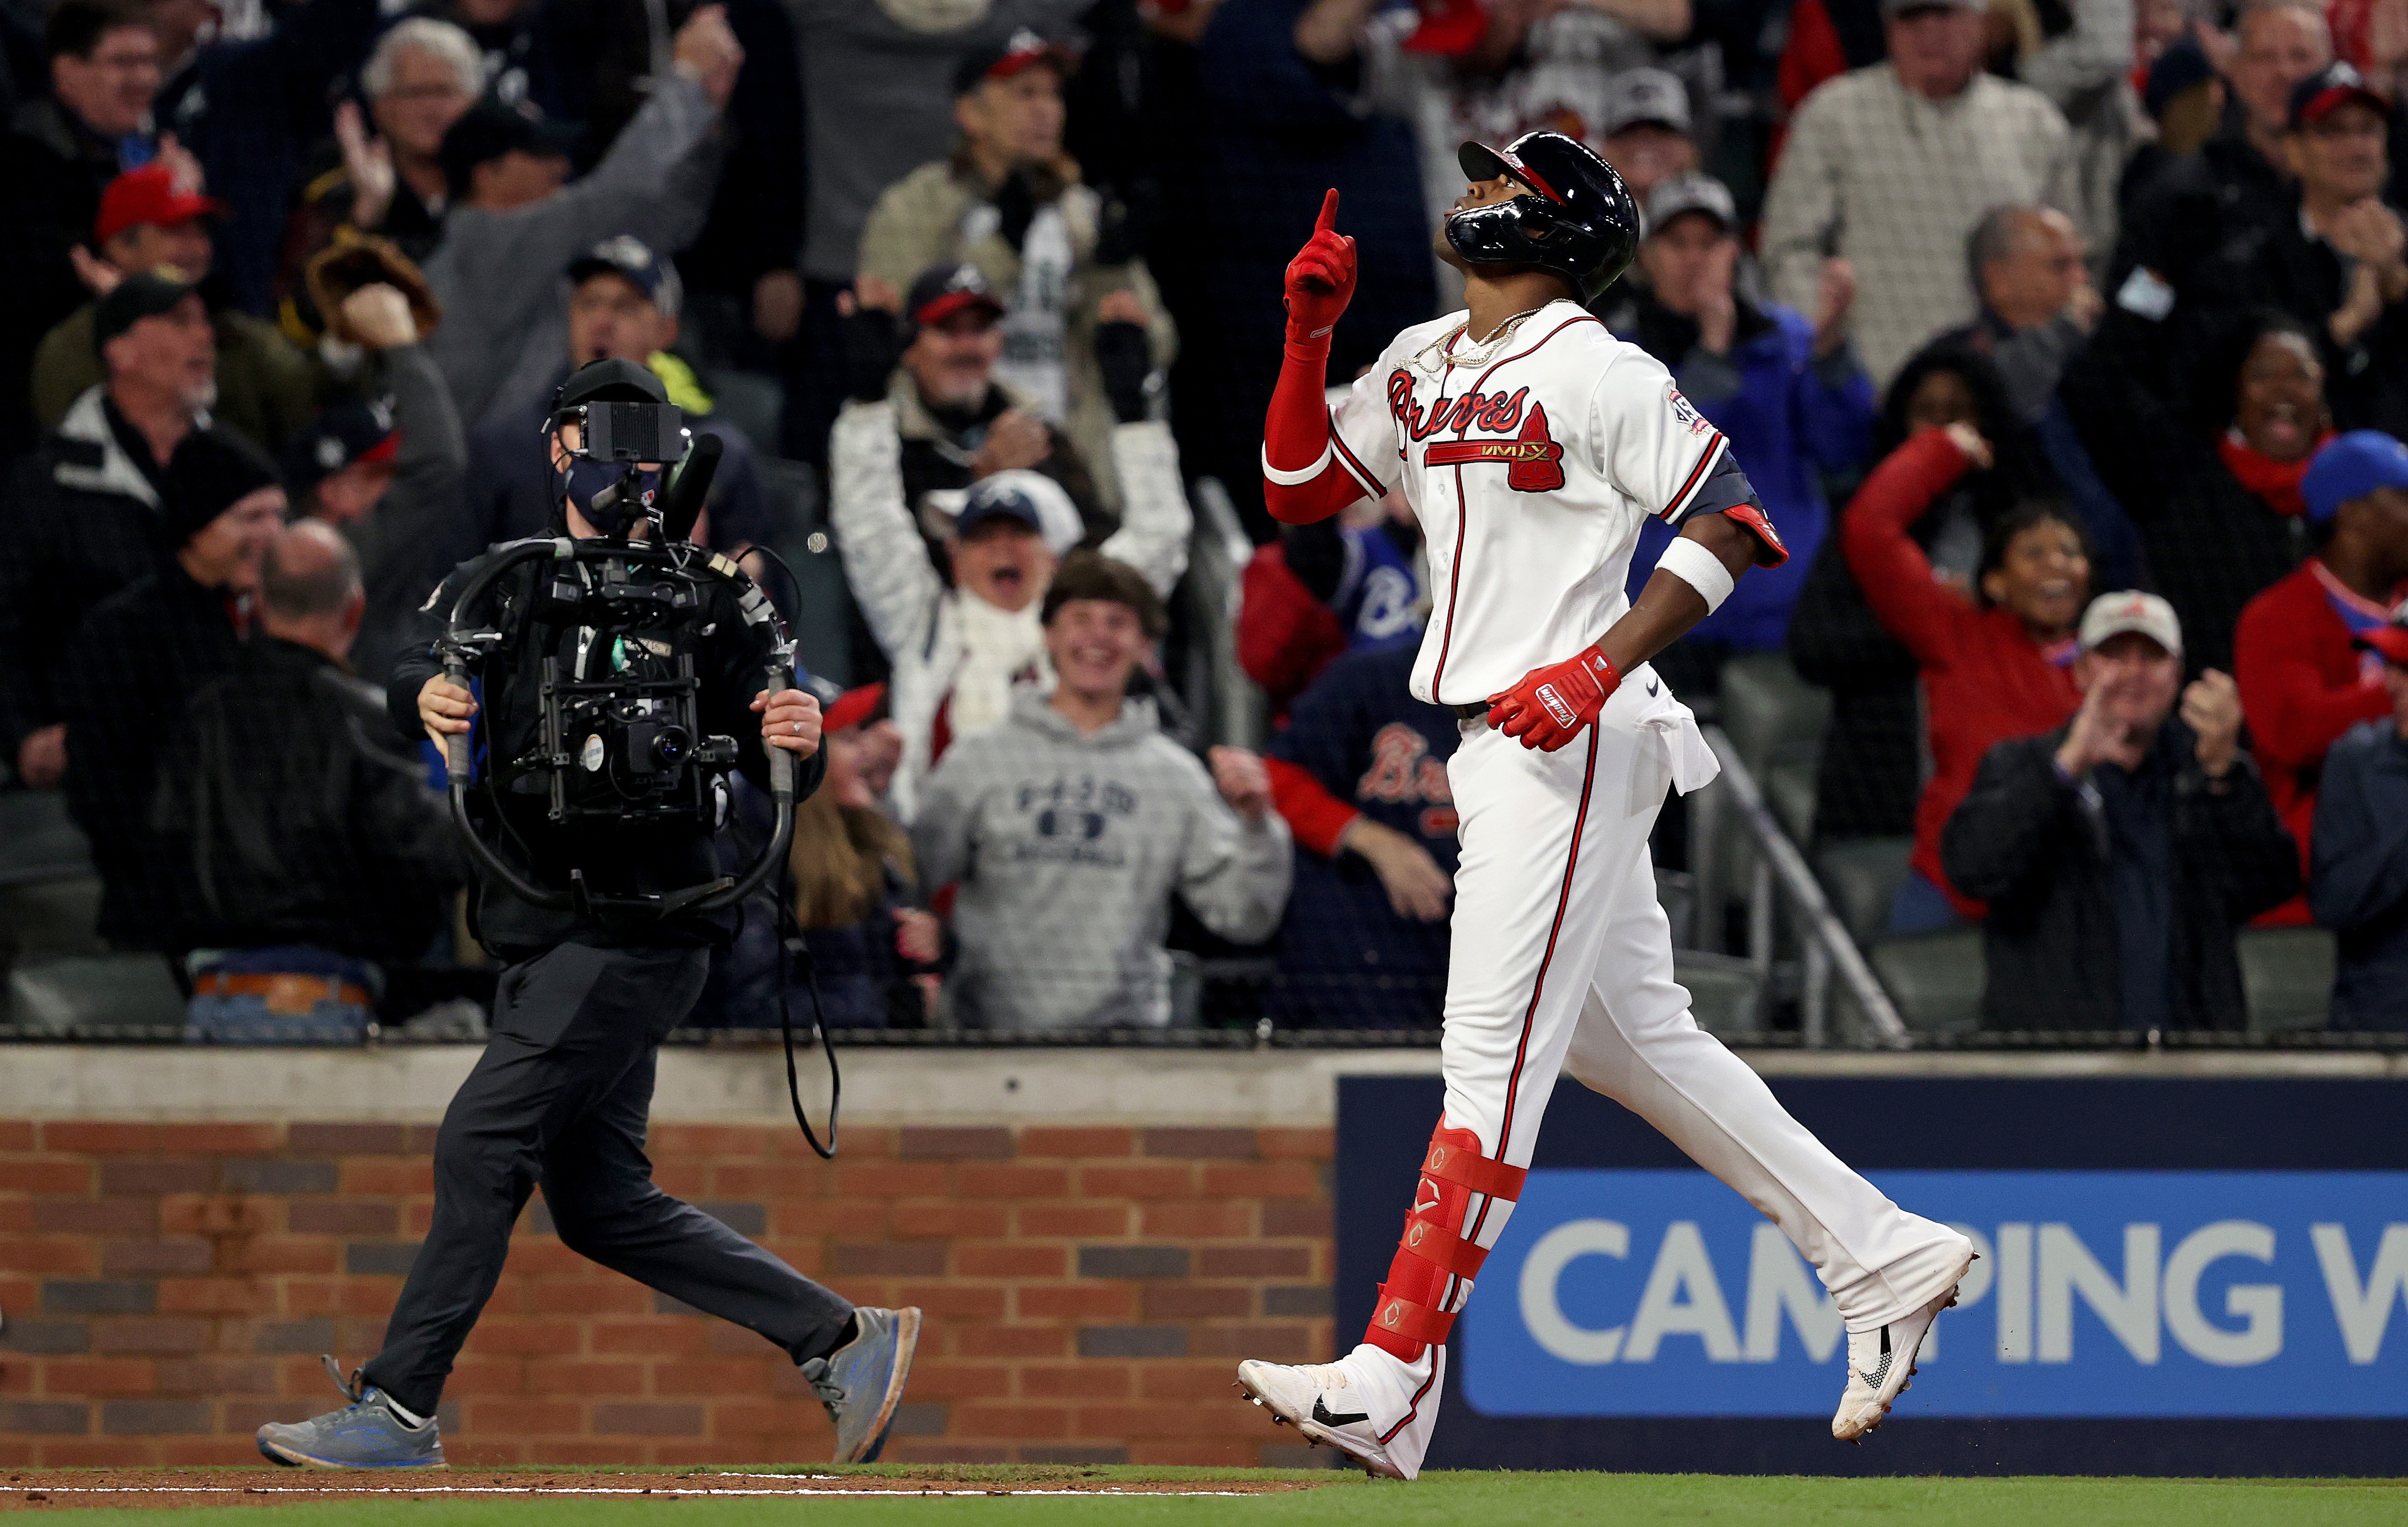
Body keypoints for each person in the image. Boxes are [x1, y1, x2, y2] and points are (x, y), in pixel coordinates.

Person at [1234, 138, 1975, 1480]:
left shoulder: (1599, 365)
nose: (1476, 195)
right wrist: (1306, 335)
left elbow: (1737, 520)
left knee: (1487, 1061)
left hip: (1569, 730)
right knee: (1636, 1047)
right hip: (1496, 734)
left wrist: (1598, 665)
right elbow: (1294, 490)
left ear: (1559, 228)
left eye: (1505, 184)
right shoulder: (1416, 353)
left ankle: (1393, 1376)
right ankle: (1884, 1253)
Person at [253, 358, 918, 1470]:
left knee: (481, 1138)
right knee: (603, 1204)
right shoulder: (509, 580)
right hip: (541, 921)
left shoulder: (709, 598)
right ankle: (842, 1339)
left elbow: (774, 695)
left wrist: (790, 721)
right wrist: (429, 691)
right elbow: (413, 653)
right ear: (561, 449)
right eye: (605, 439)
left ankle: (400, 1404)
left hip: (643, 920)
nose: (627, 467)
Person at [911, 551, 1291, 1028]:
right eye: (1080, 619)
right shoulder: (981, 759)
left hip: (1126, 1056)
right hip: (986, 1047)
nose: (1097, 637)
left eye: (1117, 623)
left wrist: (1257, 824)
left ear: (1144, 647)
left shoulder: (1173, 777)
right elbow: (911, 878)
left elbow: (1244, 917)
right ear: (1047, 635)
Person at [156, 522, 466, 1041]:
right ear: (354, 607)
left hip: (209, 1006)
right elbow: (431, 853)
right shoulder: (364, 721)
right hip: (322, 1007)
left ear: (258, 601)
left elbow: (158, 859)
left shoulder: (199, 718)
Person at [1943, 591, 2300, 1030]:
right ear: (2079, 672)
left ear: (2177, 675)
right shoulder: (2022, 766)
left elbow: (2269, 883)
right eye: (2114, 655)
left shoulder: (2207, 775)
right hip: (2060, 1068)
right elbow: (1972, 869)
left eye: (2151, 657)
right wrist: (2066, 767)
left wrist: (2223, 774)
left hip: (2190, 1065)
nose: (2133, 673)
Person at [856, 30, 1177, 513]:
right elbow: (894, 337)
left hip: (1076, 461)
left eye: (1052, 94)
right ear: (970, 113)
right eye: (1025, 93)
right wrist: (1003, 249)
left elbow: (1157, 350)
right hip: (957, 458)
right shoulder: (914, 206)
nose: (1046, 110)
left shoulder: (1084, 214)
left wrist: (1109, 270)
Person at [420, 4, 743, 428]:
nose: (558, 167)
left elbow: (661, 225)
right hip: (482, 479)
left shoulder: (536, 251)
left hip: (537, 460)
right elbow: (617, 191)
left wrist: (705, 124)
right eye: (537, 155)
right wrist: (685, 84)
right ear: (488, 174)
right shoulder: (483, 245)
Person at [1601, 172, 1872, 675]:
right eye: (1676, 243)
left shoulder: (1786, 339)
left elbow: (1844, 450)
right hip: (1665, 618)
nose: (1694, 259)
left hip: (1780, 615)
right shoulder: (1614, 353)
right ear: (1646, 257)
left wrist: (1832, 353)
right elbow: (1674, 465)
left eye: (1710, 243)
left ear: (1734, 252)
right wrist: (1712, 352)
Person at [1790, 344, 2050, 842]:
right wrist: (1924, 619)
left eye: (1959, 414)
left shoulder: (2024, 525)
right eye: (1927, 414)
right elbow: (1812, 645)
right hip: (1879, 787)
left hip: (2002, 789)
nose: (1944, 432)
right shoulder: (1860, 522)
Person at [1843, 418, 2091, 927]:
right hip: (1947, 892)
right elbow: (1870, 529)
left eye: (2069, 552)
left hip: (2061, 903)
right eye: (2033, 553)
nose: (2056, 566)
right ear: (1996, 582)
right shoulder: (1958, 636)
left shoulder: (2113, 664)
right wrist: (1943, 450)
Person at [1760, 0, 2075, 384]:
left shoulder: (2035, 123)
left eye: (1944, 14)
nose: (1929, 32)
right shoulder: (1831, 115)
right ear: (1889, 28)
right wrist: (1825, 345)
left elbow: (2070, 261)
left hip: (2003, 389)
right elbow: (1787, 249)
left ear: (1980, 22)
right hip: (1868, 383)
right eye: (1911, 18)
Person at [62, 432, 287, 950]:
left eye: (278, 515)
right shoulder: (121, 632)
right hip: (163, 922)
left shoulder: (269, 625)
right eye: (251, 517)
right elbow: (101, 793)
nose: (272, 536)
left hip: (260, 916)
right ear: (195, 523)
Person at [0, 271, 221, 792]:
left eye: (204, 320)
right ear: (120, 352)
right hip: (99, 776)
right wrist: (22, 735)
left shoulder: (236, 472)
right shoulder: (47, 485)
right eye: (178, 322)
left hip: (223, 771)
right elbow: (4, 625)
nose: (204, 336)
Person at [457, 236, 774, 565]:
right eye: (588, 304)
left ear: (667, 330)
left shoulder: (719, 455)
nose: (601, 322)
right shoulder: (503, 447)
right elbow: (453, 587)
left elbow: (766, 591)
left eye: (625, 307)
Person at [2065, 309, 2330, 675]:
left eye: (2301, 376)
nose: (2283, 391)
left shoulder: (2358, 493)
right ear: (2234, 390)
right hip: (2211, 710)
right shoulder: (2180, 476)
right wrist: (2151, 281)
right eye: (2262, 376)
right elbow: (2097, 384)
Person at [32, 161, 324, 457]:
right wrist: (127, 312)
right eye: (177, 233)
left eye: (201, 234)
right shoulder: (73, 346)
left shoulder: (234, 330)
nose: (199, 250)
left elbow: (304, 402)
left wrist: (343, 347)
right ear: (121, 247)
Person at [2234, 430, 2408, 916]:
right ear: (2354, 515)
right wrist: (2396, 698)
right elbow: (2296, 730)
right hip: (2320, 896)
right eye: (2404, 498)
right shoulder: (2276, 617)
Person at [1262, 641, 1458, 1027]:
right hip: (1363, 968)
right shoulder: (1371, 678)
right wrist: (1373, 841)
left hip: (1491, 960)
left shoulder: (1547, 692)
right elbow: (1277, 776)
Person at [284, 283, 469, 686]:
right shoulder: (349, 553)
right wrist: (400, 345)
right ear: (335, 492)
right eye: (379, 473)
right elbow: (438, 465)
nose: (395, 483)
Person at [0, 0, 163, 455]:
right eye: (122, 62)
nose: (144, 79)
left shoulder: (150, 153)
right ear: (67, 72)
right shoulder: (21, 165)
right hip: (39, 419)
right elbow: (39, 289)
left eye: (150, 62)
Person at [278, 18, 483, 321]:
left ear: (473, 102)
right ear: (380, 107)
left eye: (444, 92)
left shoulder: (501, 184)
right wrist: (363, 217)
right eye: (414, 93)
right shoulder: (336, 194)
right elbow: (301, 320)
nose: (431, 109)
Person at [2310, 614, 2408, 1030]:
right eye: (2389, 665)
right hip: (2378, 1023)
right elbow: (2334, 903)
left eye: (2406, 669)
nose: (2390, 683)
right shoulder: (2353, 761)